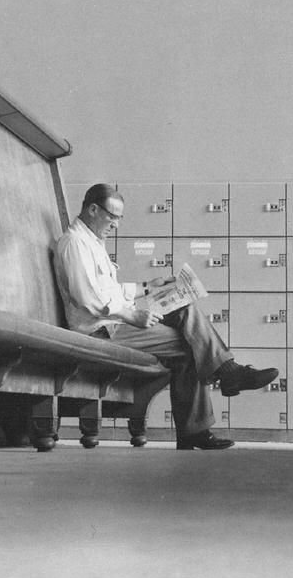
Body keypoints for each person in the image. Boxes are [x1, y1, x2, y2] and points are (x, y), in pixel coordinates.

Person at [52, 183, 279, 451]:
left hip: (115, 322)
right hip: (101, 330)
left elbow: (109, 290)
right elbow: (88, 298)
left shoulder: (92, 241)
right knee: (189, 346)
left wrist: (150, 286)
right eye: (112, 216)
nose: (116, 225)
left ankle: (224, 379)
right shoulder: (75, 243)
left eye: (119, 218)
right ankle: (212, 400)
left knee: (184, 307)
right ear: (92, 209)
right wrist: (133, 315)